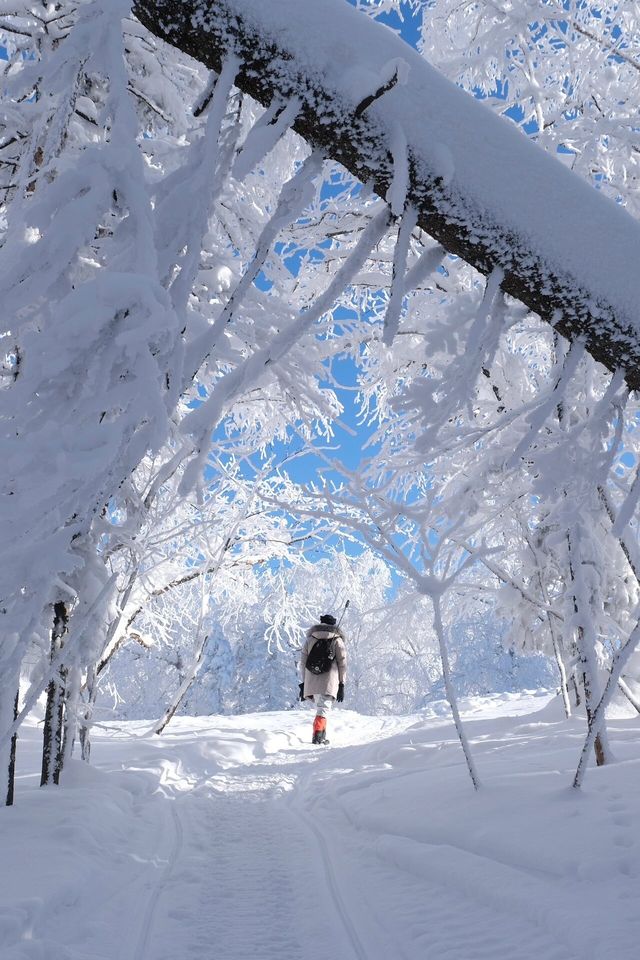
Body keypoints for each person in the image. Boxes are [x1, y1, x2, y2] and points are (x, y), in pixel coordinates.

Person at [299, 613, 347, 745]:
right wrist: (342, 683)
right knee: (323, 709)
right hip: (329, 680)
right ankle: (318, 737)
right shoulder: (337, 640)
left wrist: (303, 683)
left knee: (321, 708)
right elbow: (342, 663)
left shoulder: (310, 639)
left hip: (311, 680)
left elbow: (303, 663)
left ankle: (321, 735)